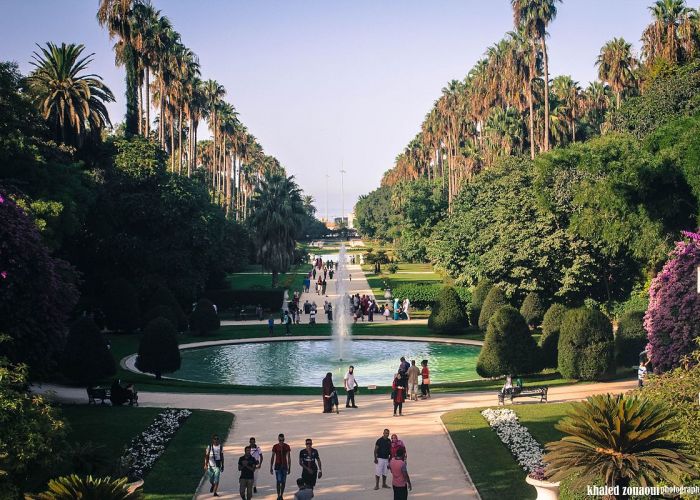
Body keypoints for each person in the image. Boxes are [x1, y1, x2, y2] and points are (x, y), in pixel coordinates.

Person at [270, 433, 291, 500]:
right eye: (280, 440)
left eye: (282, 440)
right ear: (278, 439)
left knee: (284, 481)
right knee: (278, 481)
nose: (281, 441)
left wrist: (289, 467)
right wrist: (271, 467)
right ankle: (278, 495)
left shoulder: (287, 446)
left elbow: (289, 457)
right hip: (278, 465)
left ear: (284, 439)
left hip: (284, 465)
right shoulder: (275, 446)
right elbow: (273, 457)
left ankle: (281, 495)